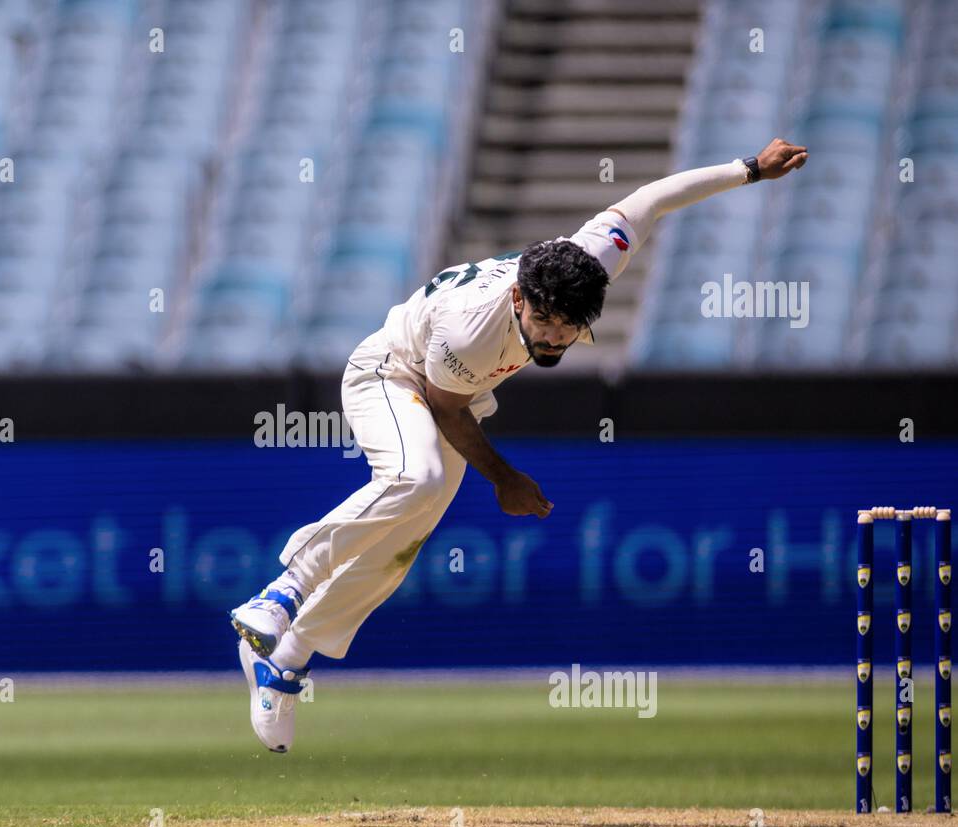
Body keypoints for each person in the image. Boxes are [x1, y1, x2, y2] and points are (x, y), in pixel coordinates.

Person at [229, 138, 810, 752]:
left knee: (401, 541)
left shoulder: (586, 265)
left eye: (570, 326)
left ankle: (285, 663)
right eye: (545, 323)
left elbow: (652, 200)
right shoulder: (474, 326)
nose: (556, 339)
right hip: (391, 373)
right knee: (417, 480)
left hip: (455, 392)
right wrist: (504, 478)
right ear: (518, 299)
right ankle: (282, 592)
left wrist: (748, 169)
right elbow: (446, 407)